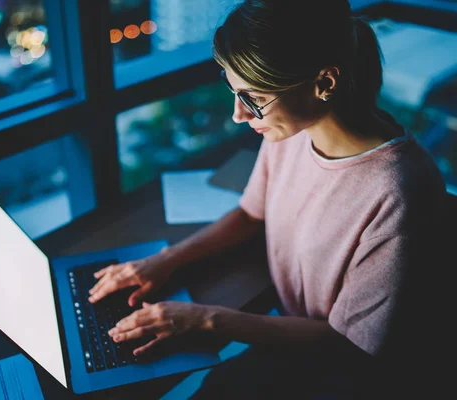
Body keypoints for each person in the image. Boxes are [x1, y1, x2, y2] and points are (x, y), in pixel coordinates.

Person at [89, 0, 448, 397]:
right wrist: (164, 260)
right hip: (288, 329)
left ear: (324, 83)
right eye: (234, 90)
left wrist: (204, 320)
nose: (238, 115)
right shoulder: (291, 129)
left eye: (253, 97)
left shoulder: (399, 190)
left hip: (343, 370)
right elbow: (250, 213)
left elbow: (347, 343)